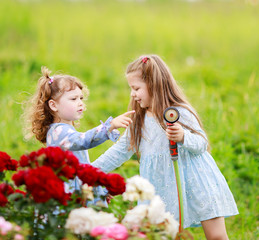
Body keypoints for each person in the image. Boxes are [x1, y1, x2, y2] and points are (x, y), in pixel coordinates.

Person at [92, 55, 239, 240]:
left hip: (198, 182)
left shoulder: (179, 112)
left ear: (154, 85)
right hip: (162, 187)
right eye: (131, 88)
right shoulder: (138, 120)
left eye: (136, 88)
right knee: (162, 234)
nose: (132, 94)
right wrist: (89, 172)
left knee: (216, 235)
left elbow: (202, 143)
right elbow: (119, 152)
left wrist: (183, 136)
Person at [25, 66, 134, 206]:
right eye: (73, 99)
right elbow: (83, 141)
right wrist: (110, 126)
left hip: (77, 187)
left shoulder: (63, 130)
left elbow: (82, 165)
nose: (80, 102)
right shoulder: (58, 132)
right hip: (70, 194)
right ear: (53, 105)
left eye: (81, 98)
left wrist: (97, 189)